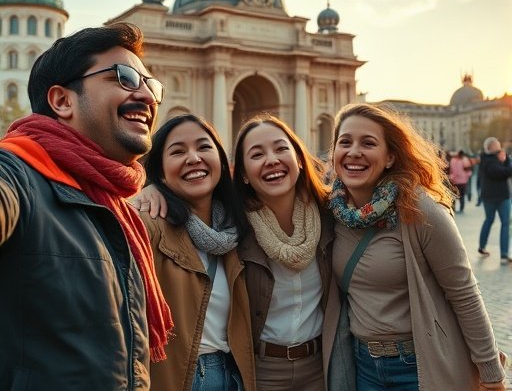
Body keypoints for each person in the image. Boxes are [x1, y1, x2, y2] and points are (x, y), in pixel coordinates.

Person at [0, 23, 174, 389]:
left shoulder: (116, 205)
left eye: (150, 84)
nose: (146, 96)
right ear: (63, 101)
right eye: (125, 78)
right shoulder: (16, 171)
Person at [323, 103, 506, 390]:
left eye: (368, 143)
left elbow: (465, 294)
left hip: (420, 366)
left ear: (390, 157)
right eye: (344, 142)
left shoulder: (421, 210)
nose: (354, 151)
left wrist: (492, 375)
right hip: (362, 367)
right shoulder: (332, 212)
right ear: (334, 152)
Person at [135, 114, 256, 391]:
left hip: (233, 374)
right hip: (183, 377)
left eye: (204, 147)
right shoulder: (148, 222)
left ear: (221, 162)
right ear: (161, 170)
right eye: (178, 151)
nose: (193, 158)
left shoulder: (237, 227)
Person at [231, 113, 334, 391]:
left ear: (299, 159)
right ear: (242, 173)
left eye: (280, 148)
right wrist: (153, 190)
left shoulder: (332, 216)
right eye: (256, 154)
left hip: (321, 367)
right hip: (261, 371)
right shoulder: (232, 227)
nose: (272, 160)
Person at [477, 136, 512, 264]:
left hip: (493, 196)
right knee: (502, 223)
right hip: (499, 196)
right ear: (491, 146)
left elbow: (507, 168)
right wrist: (505, 164)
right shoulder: (488, 160)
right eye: (497, 143)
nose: (499, 144)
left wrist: (505, 161)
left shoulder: (496, 157)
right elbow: (500, 173)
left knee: (493, 221)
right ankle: (501, 254)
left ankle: (500, 253)